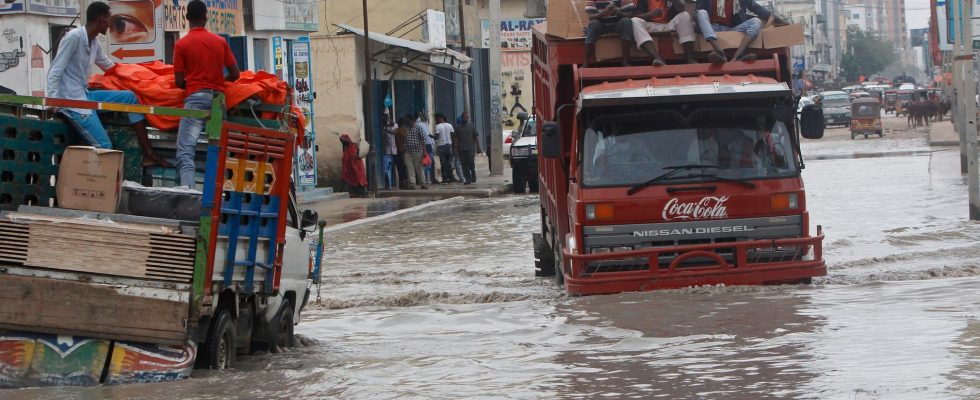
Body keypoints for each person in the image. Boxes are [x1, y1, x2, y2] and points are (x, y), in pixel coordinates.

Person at [45, 2, 169, 167]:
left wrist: (142, 77)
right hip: (72, 102)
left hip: (85, 95)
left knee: (131, 97)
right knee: (105, 146)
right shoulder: (74, 37)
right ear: (100, 19)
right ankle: (96, 185)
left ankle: (148, 153)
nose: (110, 23)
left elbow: (110, 67)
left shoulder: (93, 42)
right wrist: (54, 101)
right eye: (108, 19)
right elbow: (55, 70)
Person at [172, 0, 241, 188]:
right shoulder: (220, 42)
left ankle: (190, 194)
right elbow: (235, 74)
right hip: (218, 101)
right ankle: (220, 195)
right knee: (219, 151)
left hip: (195, 100)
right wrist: (218, 83)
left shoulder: (182, 44)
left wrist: (196, 83)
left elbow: (179, 81)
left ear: (187, 18)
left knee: (186, 151)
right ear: (205, 16)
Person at [694, 0, 786, 64]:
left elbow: (756, 8)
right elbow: (697, 13)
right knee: (701, 13)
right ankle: (719, 51)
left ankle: (737, 56)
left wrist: (779, 20)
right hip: (711, 28)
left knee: (756, 21)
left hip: (730, 29)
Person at [631, 0, 697, 65]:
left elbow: (682, 8)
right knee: (635, 21)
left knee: (684, 15)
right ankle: (657, 58)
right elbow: (637, 15)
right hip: (651, 25)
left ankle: (690, 58)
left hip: (669, 24)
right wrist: (650, 14)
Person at [584, 1, 638, 67]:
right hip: (600, 25)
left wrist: (617, 12)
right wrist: (604, 12)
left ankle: (625, 61)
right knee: (593, 24)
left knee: (626, 21)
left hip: (617, 24)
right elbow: (591, 17)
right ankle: (586, 63)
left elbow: (629, 15)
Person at [455, 112, 482, 184]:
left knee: (471, 164)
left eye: (467, 117)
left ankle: (473, 173)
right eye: (465, 117)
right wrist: (456, 149)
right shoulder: (458, 127)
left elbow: (476, 137)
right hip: (461, 149)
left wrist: (478, 147)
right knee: (464, 165)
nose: (466, 119)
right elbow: (456, 139)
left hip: (471, 149)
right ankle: (468, 179)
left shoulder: (472, 126)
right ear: (462, 118)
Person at [405, 113, 428, 190]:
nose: (408, 122)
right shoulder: (406, 128)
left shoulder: (418, 128)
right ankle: (412, 183)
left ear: (413, 120)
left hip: (418, 151)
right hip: (408, 151)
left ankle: (423, 183)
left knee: (419, 168)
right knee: (409, 167)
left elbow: (423, 140)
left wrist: (424, 151)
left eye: (409, 121)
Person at [416, 112, 439, 184]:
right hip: (425, 145)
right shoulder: (420, 125)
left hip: (427, 144)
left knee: (428, 162)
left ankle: (430, 178)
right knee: (426, 162)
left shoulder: (422, 124)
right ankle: (425, 179)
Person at [433, 113, 456, 184]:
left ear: (439, 118)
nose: (435, 120)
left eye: (436, 118)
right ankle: (451, 177)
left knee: (443, 163)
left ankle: (445, 178)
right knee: (449, 163)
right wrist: (454, 146)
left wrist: (430, 136)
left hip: (441, 146)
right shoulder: (449, 125)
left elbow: (436, 137)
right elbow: (453, 136)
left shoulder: (437, 126)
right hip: (449, 145)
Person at [394, 118, 410, 189]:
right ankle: (406, 182)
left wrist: (385, 128)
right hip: (406, 150)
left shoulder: (398, 130)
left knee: (400, 168)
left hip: (399, 151)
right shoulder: (406, 130)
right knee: (405, 167)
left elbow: (391, 132)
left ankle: (402, 183)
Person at [382, 117, 398, 189]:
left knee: (389, 169)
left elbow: (396, 126)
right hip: (386, 152)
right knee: (386, 170)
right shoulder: (384, 130)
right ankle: (387, 185)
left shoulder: (393, 128)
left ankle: (390, 185)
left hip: (392, 152)